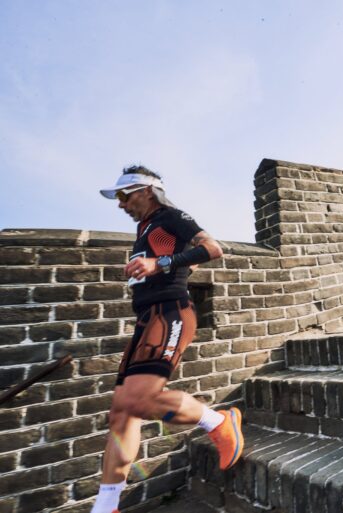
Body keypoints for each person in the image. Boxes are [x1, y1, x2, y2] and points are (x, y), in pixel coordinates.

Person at [92, 166, 243, 513]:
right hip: (146, 320)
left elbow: (212, 248)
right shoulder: (144, 229)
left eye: (124, 195)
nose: (120, 204)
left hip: (170, 311)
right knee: (121, 413)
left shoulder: (170, 216)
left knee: (141, 401)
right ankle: (105, 507)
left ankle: (218, 422)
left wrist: (160, 265)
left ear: (147, 190)